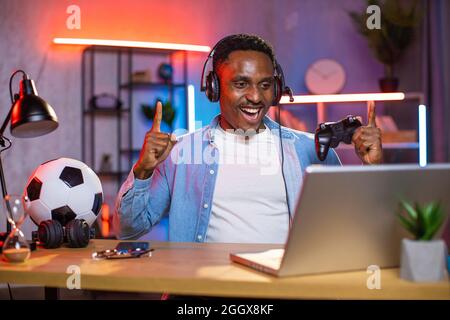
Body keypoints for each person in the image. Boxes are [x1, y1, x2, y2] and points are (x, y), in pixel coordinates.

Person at [114, 34, 382, 243]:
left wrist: (373, 169)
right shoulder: (182, 152)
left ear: (276, 89)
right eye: (241, 84)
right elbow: (127, 230)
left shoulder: (309, 150)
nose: (255, 97)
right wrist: (143, 170)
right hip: (204, 293)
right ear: (214, 88)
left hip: (282, 291)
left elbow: (354, 229)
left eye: (265, 85)